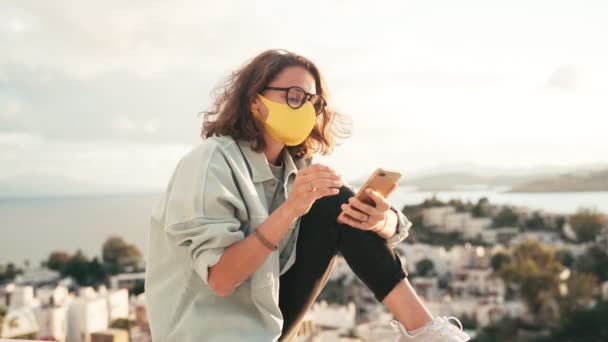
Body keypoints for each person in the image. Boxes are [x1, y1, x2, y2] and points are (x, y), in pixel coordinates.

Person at [144, 49, 470, 342]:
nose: (306, 108)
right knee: (326, 200)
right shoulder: (210, 163)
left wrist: (382, 219)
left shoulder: (294, 166)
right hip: (206, 333)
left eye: (314, 102)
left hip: (266, 326)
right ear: (255, 101)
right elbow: (221, 280)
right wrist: (289, 210)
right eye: (294, 95)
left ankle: (426, 333)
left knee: (333, 201)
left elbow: (378, 229)